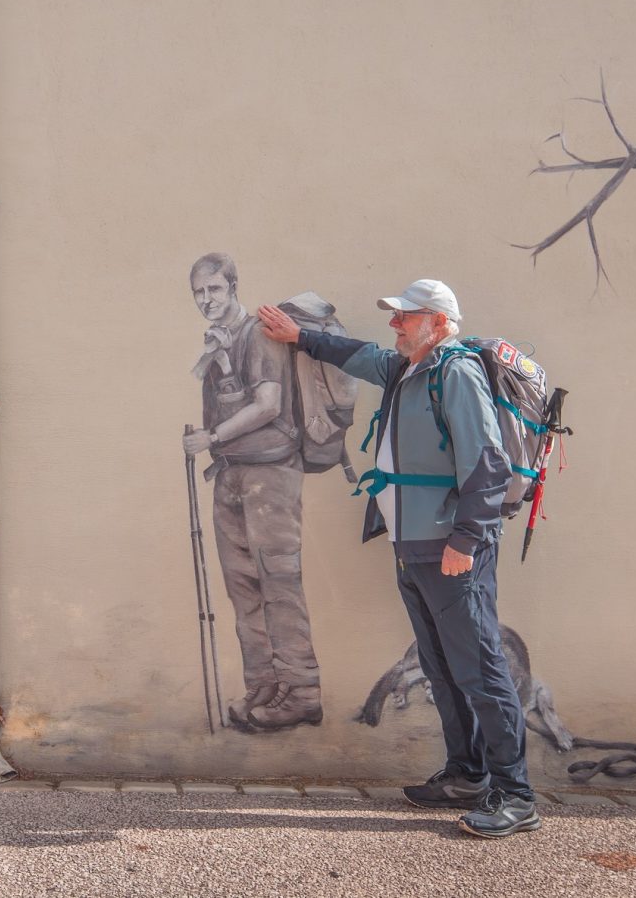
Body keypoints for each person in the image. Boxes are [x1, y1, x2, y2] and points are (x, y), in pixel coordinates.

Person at [258, 279, 540, 839]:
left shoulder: (455, 373)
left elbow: (487, 464)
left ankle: (516, 795)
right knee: (440, 667)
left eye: (404, 316)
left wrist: (466, 541)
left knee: (481, 669)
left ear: (437, 321)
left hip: (453, 549)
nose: (395, 324)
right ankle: (466, 775)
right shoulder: (411, 370)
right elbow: (361, 356)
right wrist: (301, 337)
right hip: (412, 546)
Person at [184, 254, 322, 730]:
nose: (206, 300)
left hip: (271, 475)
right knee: (242, 587)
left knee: (278, 582)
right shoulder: (217, 343)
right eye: (199, 292)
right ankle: (264, 686)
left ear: (233, 287)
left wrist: (213, 438)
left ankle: (301, 690)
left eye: (214, 290)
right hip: (232, 475)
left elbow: (269, 404)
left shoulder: (258, 334)